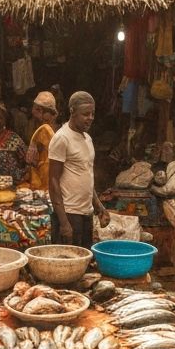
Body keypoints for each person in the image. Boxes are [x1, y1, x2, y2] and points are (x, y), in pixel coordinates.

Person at [48, 91, 110, 247]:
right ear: (72, 112)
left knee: (85, 257)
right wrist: (63, 222)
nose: (90, 118)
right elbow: (53, 180)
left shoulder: (87, 139)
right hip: (69, 213)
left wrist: (99, 207)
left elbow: (86, 176)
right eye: (85, 114)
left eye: (92, 114)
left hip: (86, 213)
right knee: (67, 260)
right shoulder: (61, 138)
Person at [23, 91, 58, 190]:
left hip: (48, 169)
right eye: (37, 109)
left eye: (43, 111)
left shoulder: (51, 128)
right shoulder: (32, 125)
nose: (37, 113)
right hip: (36, 170)